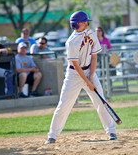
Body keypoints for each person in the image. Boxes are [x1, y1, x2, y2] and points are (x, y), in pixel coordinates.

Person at [45, 11, 117, 144]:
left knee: (100, 101)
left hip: (90, 70)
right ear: (77, 24)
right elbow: (76, 66)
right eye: (84, 22)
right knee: (64, 104)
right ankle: (52, 135)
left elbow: (94, 56)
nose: (87, 23)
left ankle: (111, 131)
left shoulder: (91, 33)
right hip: (74, 74)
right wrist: (87, 82)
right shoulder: (71, 42)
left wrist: (91, 77)